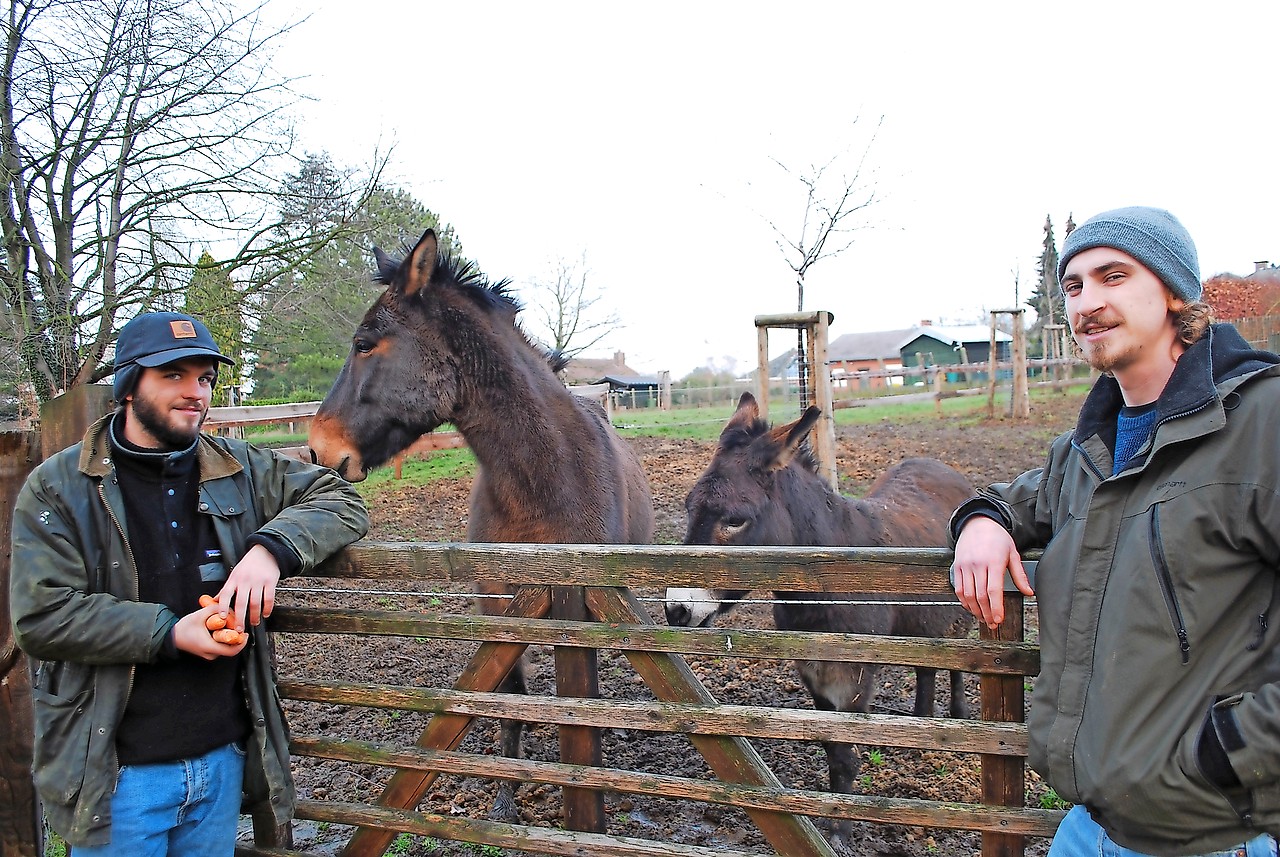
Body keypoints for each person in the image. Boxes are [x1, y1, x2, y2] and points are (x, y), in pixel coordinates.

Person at [949, 206, 1280, 857]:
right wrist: (981, 523)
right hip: (1088, 827)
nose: (1087, 302)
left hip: (1209, 834)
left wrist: (1229, 752)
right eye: (1073, 285)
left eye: (1112, 276)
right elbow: (1014, 500)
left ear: (1175, 292)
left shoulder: (1260, 423)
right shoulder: (1089, 446)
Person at [9, 311, 370, 855]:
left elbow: (341, 498)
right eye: (173, 375)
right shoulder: (59, 488)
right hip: (118, 776)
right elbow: (43, 616)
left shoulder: (237, 467)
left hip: (220, 762)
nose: (195, 392)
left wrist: (269, 552)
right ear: (129, 386)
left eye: (203, 378)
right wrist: (171, 633)